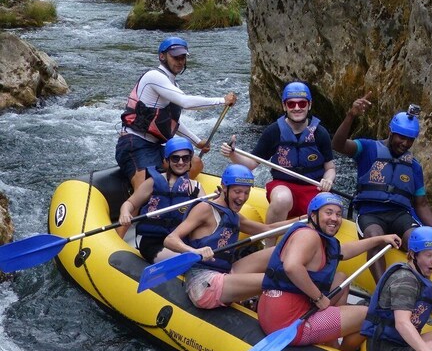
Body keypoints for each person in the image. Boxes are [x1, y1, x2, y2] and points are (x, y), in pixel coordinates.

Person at [257, 192, 401, 351]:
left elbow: (344, 251)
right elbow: (292, 266)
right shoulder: (308, 236)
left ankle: (331, 339)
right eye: (328, 212)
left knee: (341, 279)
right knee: (372, 315)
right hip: (289, 324)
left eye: (339, 214)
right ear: (313, 215)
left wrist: (380, 239)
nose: (335, 218)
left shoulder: (314, 235)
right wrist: (318, 298)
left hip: (272, 313)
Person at [331, 94, 432, 282]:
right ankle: (382, 289)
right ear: (391, 132)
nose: (405, 143)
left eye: (410, 140)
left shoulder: (414, 166)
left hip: (400, 216)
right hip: (370, 214)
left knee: (418, 239)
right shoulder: (368, 148)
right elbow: (337, 145)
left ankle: (416, 285)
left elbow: (421, 204)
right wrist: (351, 115)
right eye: (401, 137)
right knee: (376, 237)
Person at [116, 36, 237, 191]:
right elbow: (185, 102)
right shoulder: (154, 77)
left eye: (183, 57)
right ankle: (135, 207)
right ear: (162, 56)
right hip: (134, 143)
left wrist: (196, 141)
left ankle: (170, 198)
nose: (180, 61)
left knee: (195, 163)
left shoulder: (172, 84)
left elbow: (172, 122)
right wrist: (222, 100)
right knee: (144, 189)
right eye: (175, 57)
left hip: (155, 146)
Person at [163, 165, 291, 309]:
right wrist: (194, 251)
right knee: (275, 279)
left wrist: (307, 218)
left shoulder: (233, 215)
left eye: (246, 192)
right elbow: (170, 239)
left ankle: (254, 299)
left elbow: (268, 229)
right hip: (202, 283)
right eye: (237, 191)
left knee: (280, 250)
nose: (242, 198)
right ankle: (259, 303)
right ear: (224, 187)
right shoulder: (205, 209)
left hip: (224, 272)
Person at [220, 81, 335, 241]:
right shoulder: (274, 131)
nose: (297, 108)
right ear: (284, 106)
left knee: (330, 209)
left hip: (313, 188)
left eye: (302, 103)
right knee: (282, 198)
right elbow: (252, 164)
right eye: (291, 104)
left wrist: (328, 180)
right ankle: (270, 245)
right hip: (283, 186)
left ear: (309, 105)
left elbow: (330, 168)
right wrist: (232, 155)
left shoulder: (320, 133)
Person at [118, 137, 205, 260]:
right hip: (153, 241)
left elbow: (209, 212)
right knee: (184, 258)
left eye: (185, 158)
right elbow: (129, 203)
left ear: (190, 161)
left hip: (180, 240)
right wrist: (125, 212)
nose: (180, 162)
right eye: (175, 158)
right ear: (167, 160)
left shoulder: (195, 188)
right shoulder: (153, 182)